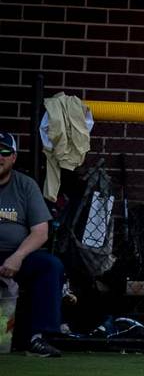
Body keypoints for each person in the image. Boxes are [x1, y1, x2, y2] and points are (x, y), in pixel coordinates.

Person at [0, 131, 64, 357]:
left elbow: (40, 232)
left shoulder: (25, 185)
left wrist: (17, 257)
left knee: (49, 265)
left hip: (17, 256)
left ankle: (37, 338)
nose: (0, 156)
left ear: (14, 157)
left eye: (4, 151)